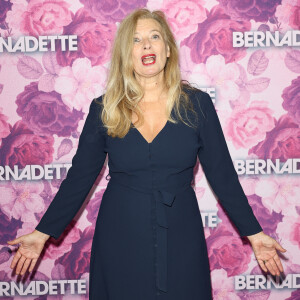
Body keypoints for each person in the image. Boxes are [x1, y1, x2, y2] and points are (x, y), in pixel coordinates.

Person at [7, 8, 286, 300]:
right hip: (120, 231)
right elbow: (79, 178)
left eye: (154, 37)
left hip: (182, 230)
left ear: (167, 49)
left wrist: (254, 234)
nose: (147, 45)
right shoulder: (105, 108)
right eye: (136, 40)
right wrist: (42, 233)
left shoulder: (197, 105)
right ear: (127, 54)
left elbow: (223, 176)